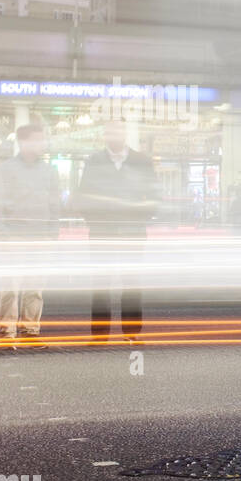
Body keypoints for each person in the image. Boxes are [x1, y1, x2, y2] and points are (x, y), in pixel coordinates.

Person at [73, 120, 160, 341]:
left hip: (133, 233)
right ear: (105, 136)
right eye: (109, 133)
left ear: (125, 134)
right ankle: (100, 334)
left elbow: (154, 196)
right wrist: (95, 221)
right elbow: (84, 195)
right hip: (102, 233)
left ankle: (131, 332)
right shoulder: (94, 161)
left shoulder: (142, 161)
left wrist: (140, 219)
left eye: (118, 132)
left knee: (132, 284)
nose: (114, 137)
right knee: (101, 284)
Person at [0, 121, 61, 349]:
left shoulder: (50, 170)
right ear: (23, 142)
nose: (42, 144)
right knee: (10, 287)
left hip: (41, 237)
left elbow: (55, 204)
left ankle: (30, 331)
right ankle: (6, 332)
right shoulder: (5, 169)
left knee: (35, 289)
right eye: (38, 140)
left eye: (43, 139)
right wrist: (2, 234)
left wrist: (52, 234)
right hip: (13, 237)